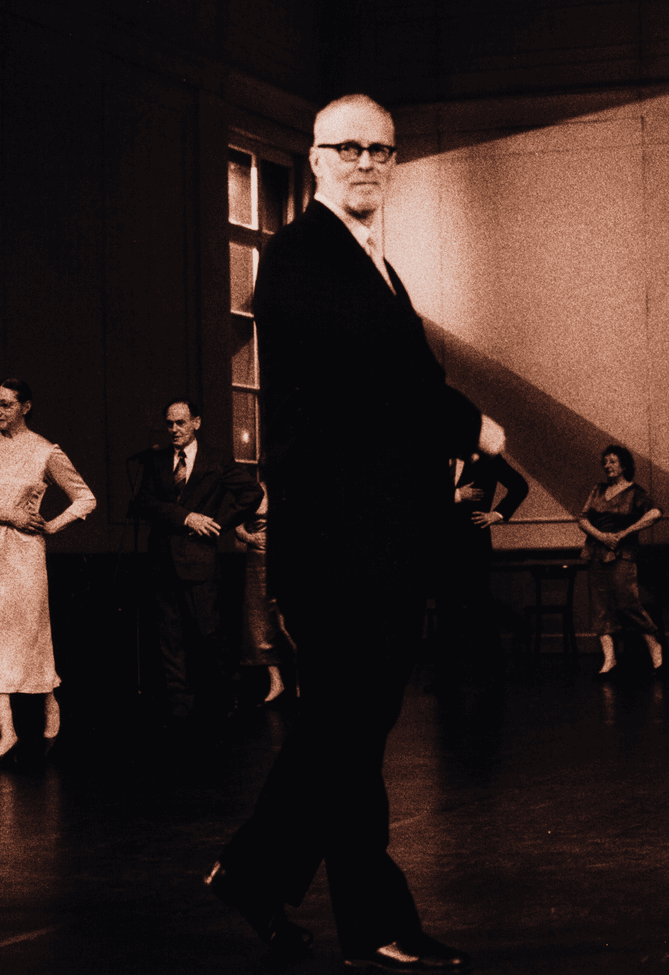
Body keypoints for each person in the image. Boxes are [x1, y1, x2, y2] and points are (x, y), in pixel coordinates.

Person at [206, 93, 504, 973]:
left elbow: (389, 378)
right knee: (347, 734)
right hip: (338, 547)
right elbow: (381, 376)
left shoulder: (368, 262)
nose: (370, 162)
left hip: (378, 541)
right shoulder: (299, 255)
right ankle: (373, 921)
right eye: (352, 148)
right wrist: (473, 429)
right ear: (318, 157)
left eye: (383, 150)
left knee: (343, 733)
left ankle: (255, 875)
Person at [0, 379, 96, 765]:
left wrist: (53, 525)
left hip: (22, 557)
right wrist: (8, 514)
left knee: (29, 637)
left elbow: (85, 497)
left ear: (25, 407)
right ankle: (7, 731)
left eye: (6, 404)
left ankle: (50, 704)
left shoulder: (44, 451)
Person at [130, 399, 262, 726]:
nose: (174, 429)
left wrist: (217, 523)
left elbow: (252, 494)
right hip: (161, 562)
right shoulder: (158, 460)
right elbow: (144, 502)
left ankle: (229, 696)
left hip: (200, 562)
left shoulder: (216, 460)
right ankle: (179, 706)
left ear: (196, 423)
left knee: (210, 634)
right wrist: (188, 517)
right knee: (169, 639)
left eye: (180, 423)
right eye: (170, 423)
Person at [432, 453, 529, 689]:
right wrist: (457, 495)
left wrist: (496, 514)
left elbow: (520, 486)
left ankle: (492, 673)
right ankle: (448, 678)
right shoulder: (435, 458)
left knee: (480, 606)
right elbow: (421, 495)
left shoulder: (488, 459)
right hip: (442, 547)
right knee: (446, 609)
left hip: (473, 546)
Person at [577, 445, 663, 675]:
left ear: (624, 465)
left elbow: (655, 513)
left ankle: (655, 647)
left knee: (627, 602)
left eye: (613, 461)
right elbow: (583, 519)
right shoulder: (598, 489)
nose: (607, 466)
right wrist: (602, 536)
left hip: (623, 553)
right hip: (596, 551)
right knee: (600, 606)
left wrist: (624, 534)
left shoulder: (635, 492)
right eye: (605, 462)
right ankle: (610, 659)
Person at [234, 481, 294, 703]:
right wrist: (251, 538)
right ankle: (276, 681)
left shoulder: (291, 491)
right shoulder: (253, 491)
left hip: (286, 562)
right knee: (259, 623)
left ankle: (300, 684)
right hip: (257, 563)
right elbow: (237, 527)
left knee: (288, 623)